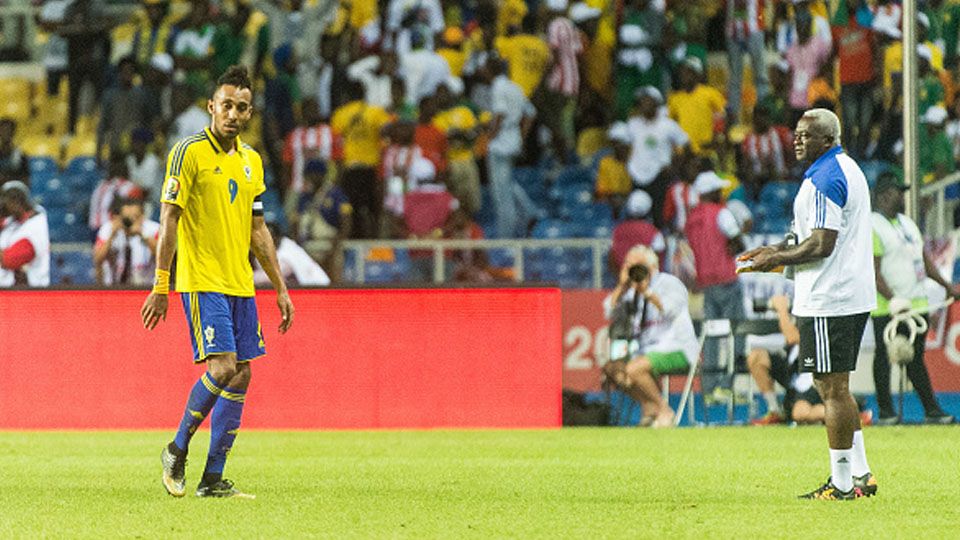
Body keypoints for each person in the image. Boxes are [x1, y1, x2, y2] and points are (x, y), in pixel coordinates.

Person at [141, 66, 294, 499]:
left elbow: (257, 229)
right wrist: (161, 283)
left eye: (241, 107)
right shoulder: (187, 153)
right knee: (223, 367)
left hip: (239, 282)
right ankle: (176, 448)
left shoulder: (251, 161)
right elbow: (168, 219)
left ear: (249, 113)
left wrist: (280, 286)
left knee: (242, 375)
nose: (232, 113)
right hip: (201, 277)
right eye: (225, 105)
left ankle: (212, 478)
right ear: (212, 107)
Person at [739, 108, 877, 500]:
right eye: (797, 134)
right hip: (850, 292)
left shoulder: (823, 178)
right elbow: (819, 236)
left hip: (829, 296)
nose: (797, 140)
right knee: (835, 385)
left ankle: (842, 483)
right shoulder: (846, 168)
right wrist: (778, 250)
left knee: (830, 387)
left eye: (806, 135)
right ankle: (862, 474)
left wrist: (778, 259)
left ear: (828, 139)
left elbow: (821, 243)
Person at [870, 172, 956, 425]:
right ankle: (886, 411)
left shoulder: (907, 223)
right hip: (889, 307)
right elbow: (872, 270)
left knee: (915, 358)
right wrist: (893, 299)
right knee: (884, 357)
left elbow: (924, 259)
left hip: (917, 302)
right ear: (885, 195)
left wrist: (945, 285)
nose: (903, 197)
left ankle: (931, 409)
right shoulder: (873, 226)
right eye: (899, 192)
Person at [602, 245, 699, 427]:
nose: (632, 270)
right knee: (612, 369)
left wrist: (647, 292)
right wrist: (622, 286)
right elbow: (609, 311)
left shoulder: (669, 283)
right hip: (646, 350)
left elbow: (669, 310)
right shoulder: (631, 291)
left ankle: (664, 411)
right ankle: (649, 406)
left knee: (633, 369)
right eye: (628, 265)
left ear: (651, 266)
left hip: (677, 348)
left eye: (636, 266)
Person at [685, 170, 745, 401]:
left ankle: (709, 389)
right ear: (711, 192)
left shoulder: (692, 219)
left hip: (706, 282)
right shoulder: (722, 214)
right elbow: (737, 240)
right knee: (735, 334)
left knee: (709, 337)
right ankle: (726, 385)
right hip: (727, 280)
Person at [93, 197, 159, 286]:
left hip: (146, 286)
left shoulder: (153, 229)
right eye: (127, 218)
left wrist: (143, 235)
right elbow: (97, 260)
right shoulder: (108, 229)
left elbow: (164, 257)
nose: (131, 221)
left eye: (136, 217)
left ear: (143, 216)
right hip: (114, 287)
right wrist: (112, 235)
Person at [0, 181, 50, 287]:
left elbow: (9, 260)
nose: (4, 205)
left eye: (7, 201)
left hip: (30, 293)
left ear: (18, 202)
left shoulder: (35, 227)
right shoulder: (13, 219)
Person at [253, 222, 330, 287]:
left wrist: (245, 278)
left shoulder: (288, 250)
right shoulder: (264, 250)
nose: (267, 240)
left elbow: (272, 277)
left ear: (278, 237)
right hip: (301, 290)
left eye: (270, 236)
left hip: (319, 287)